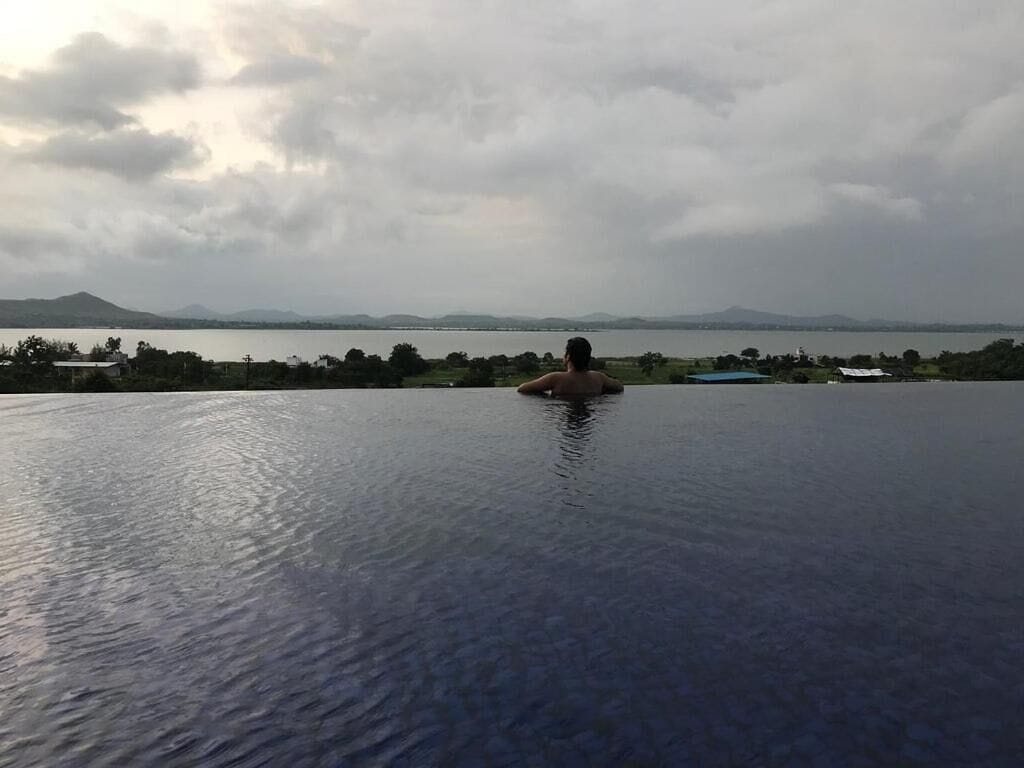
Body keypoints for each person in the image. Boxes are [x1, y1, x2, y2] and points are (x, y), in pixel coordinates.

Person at [517, 337, 624, 396]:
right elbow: (619, 386)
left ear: (568, 357)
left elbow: (522, 388)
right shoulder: (599, 378)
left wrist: (544, 395)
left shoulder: (556, 378)